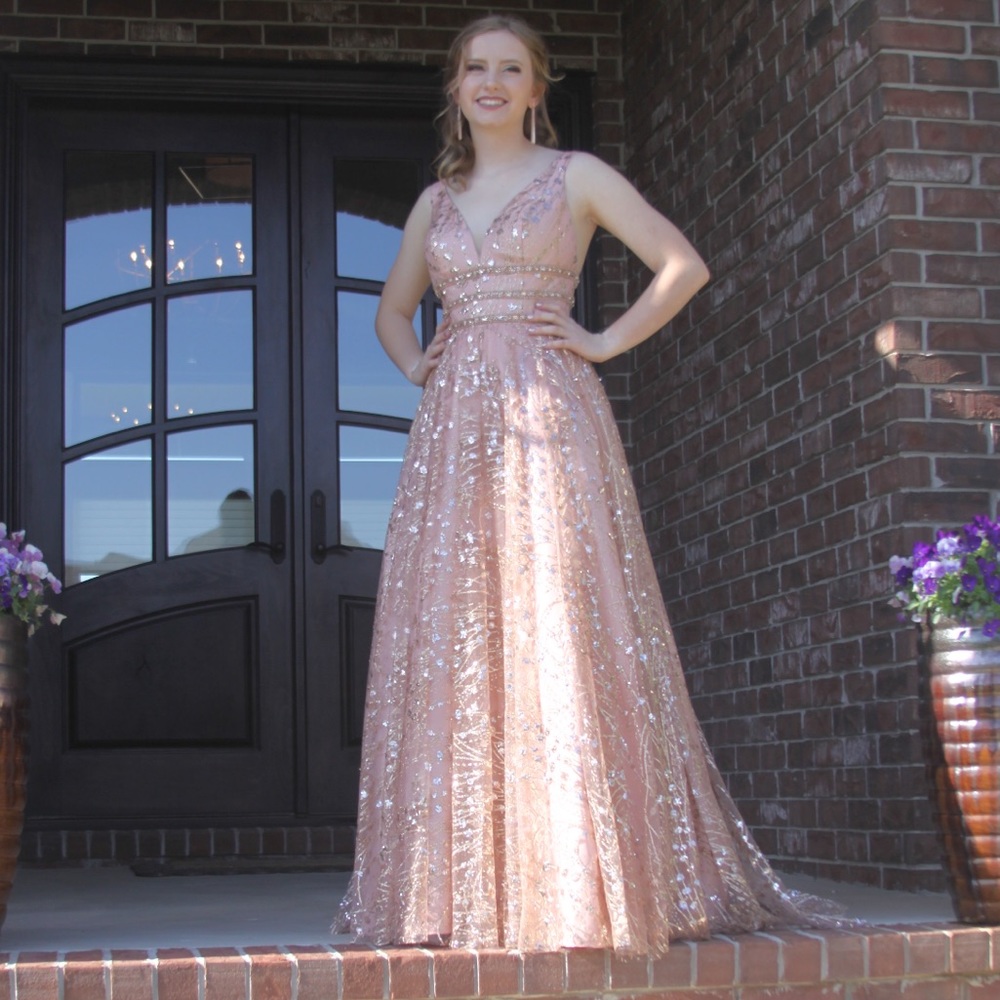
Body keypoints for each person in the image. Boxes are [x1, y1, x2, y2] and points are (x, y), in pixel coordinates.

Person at [335, 13, 846, 954]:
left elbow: (681, 265)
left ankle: (575, 885)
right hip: (454, 440)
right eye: (475, 69)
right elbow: (393, 312)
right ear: (455, 88)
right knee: (462, 631)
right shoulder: (433, 202)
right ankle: (458, 891)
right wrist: (419, 368)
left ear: (538, 87)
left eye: (511, 69)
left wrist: (604, 340)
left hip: (549, 415)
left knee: (557, 621)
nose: (491, 83)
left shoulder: (577, 178)